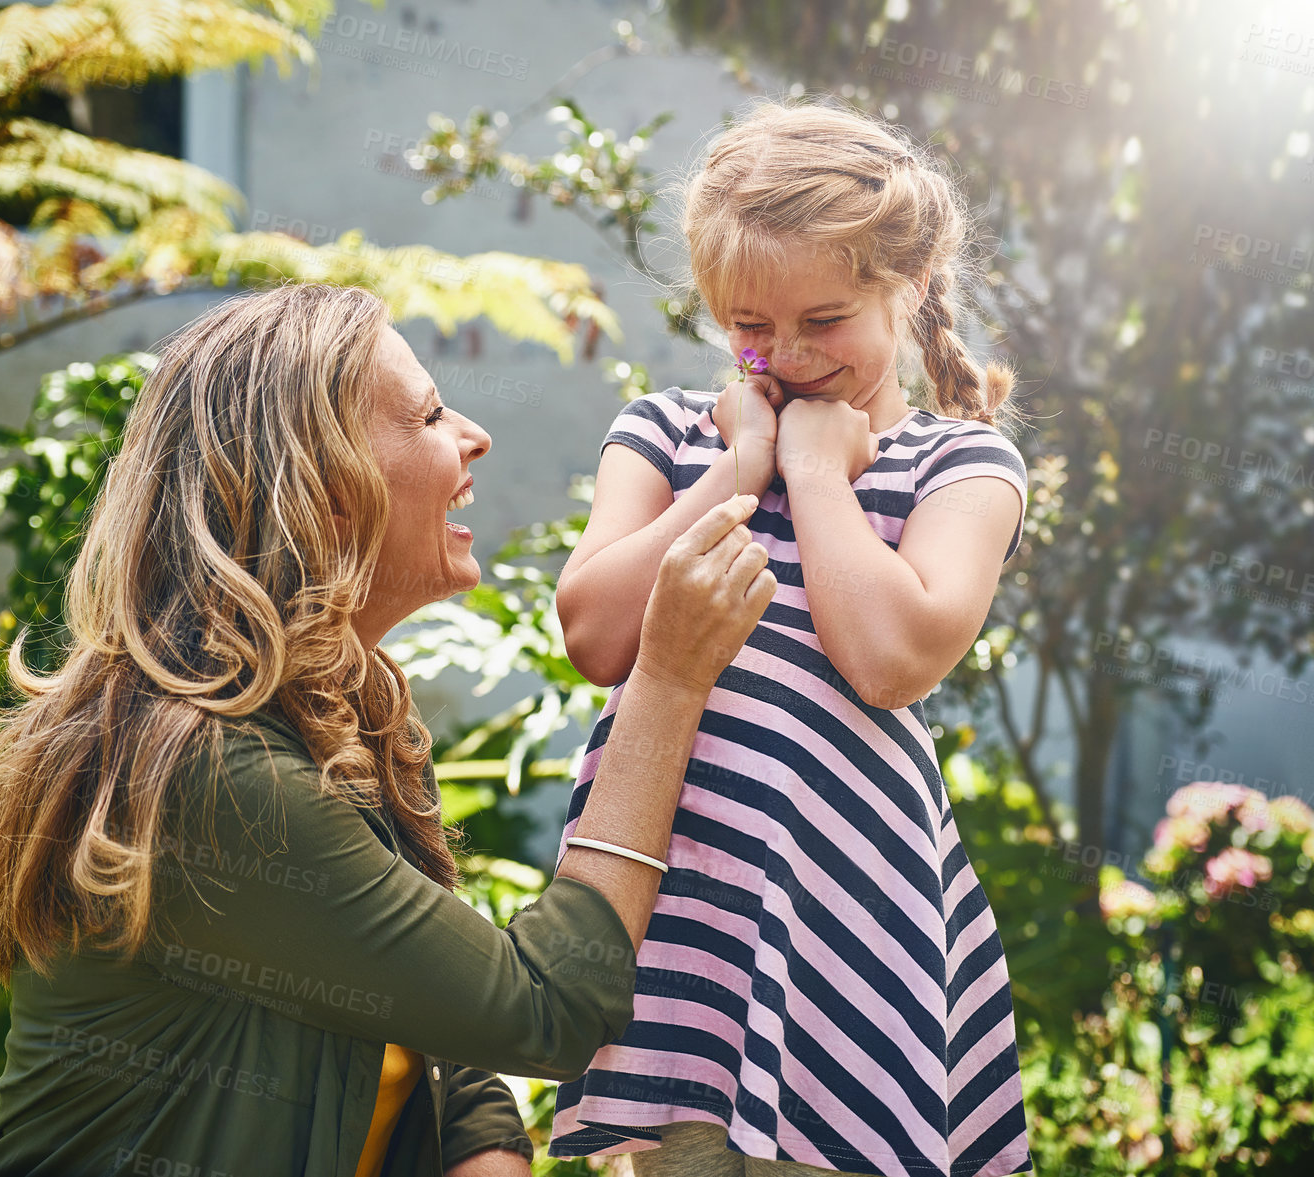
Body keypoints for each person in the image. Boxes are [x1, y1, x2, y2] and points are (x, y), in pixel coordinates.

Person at [0, 281, 776, 1177]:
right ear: (325, 488)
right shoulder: (208, 772)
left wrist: (488, 1150)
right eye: (426, 416)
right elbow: (544, 1008)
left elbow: (431, 1011)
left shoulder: (345, 718)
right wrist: (665, 679)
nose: (474, 435)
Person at [548, 98, 1035, 1177]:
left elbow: (889, 656)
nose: (788, 356)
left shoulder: (960, 468)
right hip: (675, 921)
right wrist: (741, 466)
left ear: (904, 287)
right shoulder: (666, 436)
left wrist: (816, 473)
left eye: (824, 321)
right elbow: (594, 630)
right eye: (750, 327)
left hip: (842, 930)